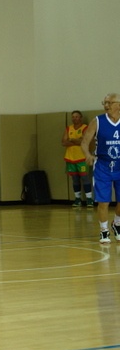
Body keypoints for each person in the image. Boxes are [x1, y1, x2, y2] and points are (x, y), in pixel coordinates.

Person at [80, 94, 120, 244]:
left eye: (110, 102)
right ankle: (104, 230)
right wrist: (88, 155)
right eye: (105, 102)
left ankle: (117, 223)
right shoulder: (97, 121)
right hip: (103, 165)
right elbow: (84, 142)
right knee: (104, 201)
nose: (106, 105)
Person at [62, 110, 93, 207]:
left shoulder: (85, 128)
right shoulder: (68, 128)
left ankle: (89, 199)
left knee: (85, 178)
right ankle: (77, 199)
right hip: (70, 158)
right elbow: (63, 142)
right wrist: (77, 140)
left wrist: (71, 140)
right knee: (75, 179)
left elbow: (83, 141)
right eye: (73, 117)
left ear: (80, 118)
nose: (74, 118)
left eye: (76, 116)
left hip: (82, 157)